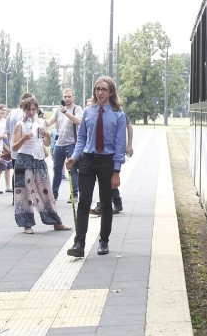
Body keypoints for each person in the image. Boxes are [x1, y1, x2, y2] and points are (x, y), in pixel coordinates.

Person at [66, 76, 128, 257]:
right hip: (88, 160)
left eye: (104, 89)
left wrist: (116, 171)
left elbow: (120, 146)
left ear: (111, 93)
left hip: (107, 162)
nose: (100, 92)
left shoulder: (118, 115)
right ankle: (79, 243)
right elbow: (82, 139)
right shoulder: (88, 112)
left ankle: (104, 241)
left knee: (106, 203)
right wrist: (75, 158)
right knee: (84, 201)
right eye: (97, 89)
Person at [11, 96, 71, 234]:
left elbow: (47, 144)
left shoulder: (41, 123)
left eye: (33, 109)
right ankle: (27, 224)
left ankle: (56, 221)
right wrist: (23, 138)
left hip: (39, 160)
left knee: (46, 190)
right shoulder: (19, 124)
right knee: (24, 193)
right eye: (28, 109)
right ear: (24, 110)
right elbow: (14, 147)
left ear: (37, 110)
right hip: (24, 159)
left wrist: (48, 136)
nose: (31, 112)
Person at [46, 87, 83, 201]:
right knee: (57, 170)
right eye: (65, 97)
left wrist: (66, 112)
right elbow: (48, 122)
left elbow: (79, 121)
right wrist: (40, 117)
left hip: (71, 143)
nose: (67, 99)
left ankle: (74, 194)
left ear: (73, 97)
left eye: (69, 96)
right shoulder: (58, 110)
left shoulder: (77, 108)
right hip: (59, 144)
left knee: (72, 169)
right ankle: (54, 194)